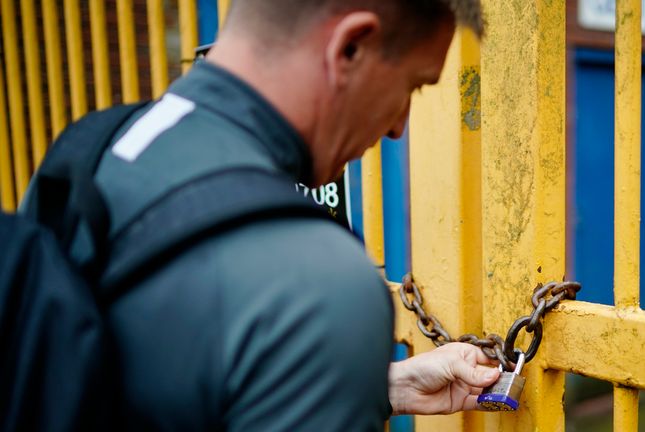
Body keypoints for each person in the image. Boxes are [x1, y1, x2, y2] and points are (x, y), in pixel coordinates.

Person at [61, 0, 499, 430]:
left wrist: (377, 386)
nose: (397, 126)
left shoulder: (87, 151)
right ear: (350, 47)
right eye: (412, 86)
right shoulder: (316, 281)